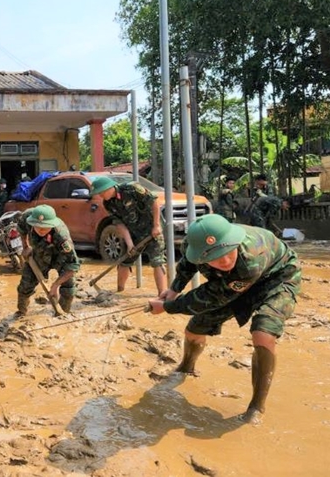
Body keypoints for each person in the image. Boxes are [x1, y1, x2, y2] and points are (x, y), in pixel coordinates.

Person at [147, 214, 301, 424]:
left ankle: (256, 406)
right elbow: (187, 266)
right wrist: (173, 291)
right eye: (217, 257)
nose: (226, 260)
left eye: (228, 252)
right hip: (230, 283)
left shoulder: (250, 260)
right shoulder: (194, 246)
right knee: (194, 329)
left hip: (277, 278)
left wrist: (166, 307)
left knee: (263, 333)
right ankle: (186, 367)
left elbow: (209, 298)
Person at [90, 176, 167, 295]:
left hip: (151, 230)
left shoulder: (132, 189)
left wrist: (156, 225)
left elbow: (154, 202)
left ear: (109, 188)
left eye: (101, 193)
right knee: (124, 261)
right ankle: (119, 292)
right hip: (133, 233)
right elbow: (120, 224)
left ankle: (162, 295)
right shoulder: (108, 204)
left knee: (157, 261)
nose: (100, 196)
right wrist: (130, 243)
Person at [15, 205, 80, 316]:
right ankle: (21, 312)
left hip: (60, 256)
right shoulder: (28, 217)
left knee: (68, 289)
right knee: (25, 285)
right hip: (40, 252)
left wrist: (55, 285)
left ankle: (62, 314)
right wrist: (25, 246)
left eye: (45, 227)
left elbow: (73, 267)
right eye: (37, 226)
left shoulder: (62, 237)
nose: (41, 230)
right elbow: (21, 228)